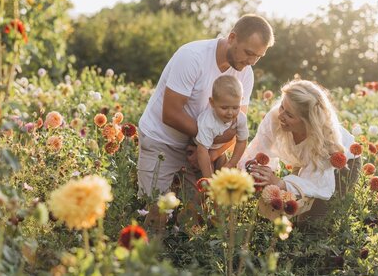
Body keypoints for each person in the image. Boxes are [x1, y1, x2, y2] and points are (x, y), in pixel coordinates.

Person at [137, 14, 274, 231]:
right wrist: (206, 141)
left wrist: (210, 154)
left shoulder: (245, 74)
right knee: (157, 210)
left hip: (200, 150)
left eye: (259, 56)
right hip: (162, 139)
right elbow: (171, 113)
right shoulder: (192, 56)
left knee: (194, 217)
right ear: (232, 38)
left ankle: (183, 260)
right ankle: (148, 257)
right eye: (249, 53)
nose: (251, 62)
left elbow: (236, 126)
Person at [238, 79, 360, 222]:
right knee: (282, 212)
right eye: (282, 106)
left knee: (311, 221)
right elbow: (259, 151)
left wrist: (280, 183)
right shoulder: (275, 117)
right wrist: (255, 174)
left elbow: (314, 182)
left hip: (343, 165)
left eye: (289, 115)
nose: (281, 115)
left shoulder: (324, 141)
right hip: (307, 163)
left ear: (307, 121)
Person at [195, 75, 248, 179]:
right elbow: (202, 152)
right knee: (203, 183)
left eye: (235, 107)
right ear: (212, 103)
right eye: (224, 108)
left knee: (228, 177)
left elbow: (242, 141)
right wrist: (208, 180)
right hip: (199, 149)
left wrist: (231, 164)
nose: (230, 113)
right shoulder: (208, 121)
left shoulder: (240, 118)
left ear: (241, 101)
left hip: (218, 149)